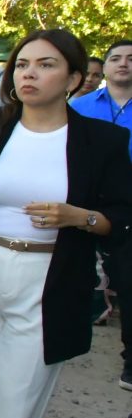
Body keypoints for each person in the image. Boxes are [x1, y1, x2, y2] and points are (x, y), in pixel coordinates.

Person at [0, 29, 132, 418]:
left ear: (74, 79)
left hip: (48, 283)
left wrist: (80, 217)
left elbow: (121, 218)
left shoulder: (101, 142)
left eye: (46, 65)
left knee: (13, 413)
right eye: (23, 64)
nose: (29, 74)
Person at [71, 39, 132, 389]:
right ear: (105, 68)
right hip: (88, 200)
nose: (122, 64)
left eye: (130, 59)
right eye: (115, 58)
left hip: (127, 202)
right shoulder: (80, 107)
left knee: (128, 277)